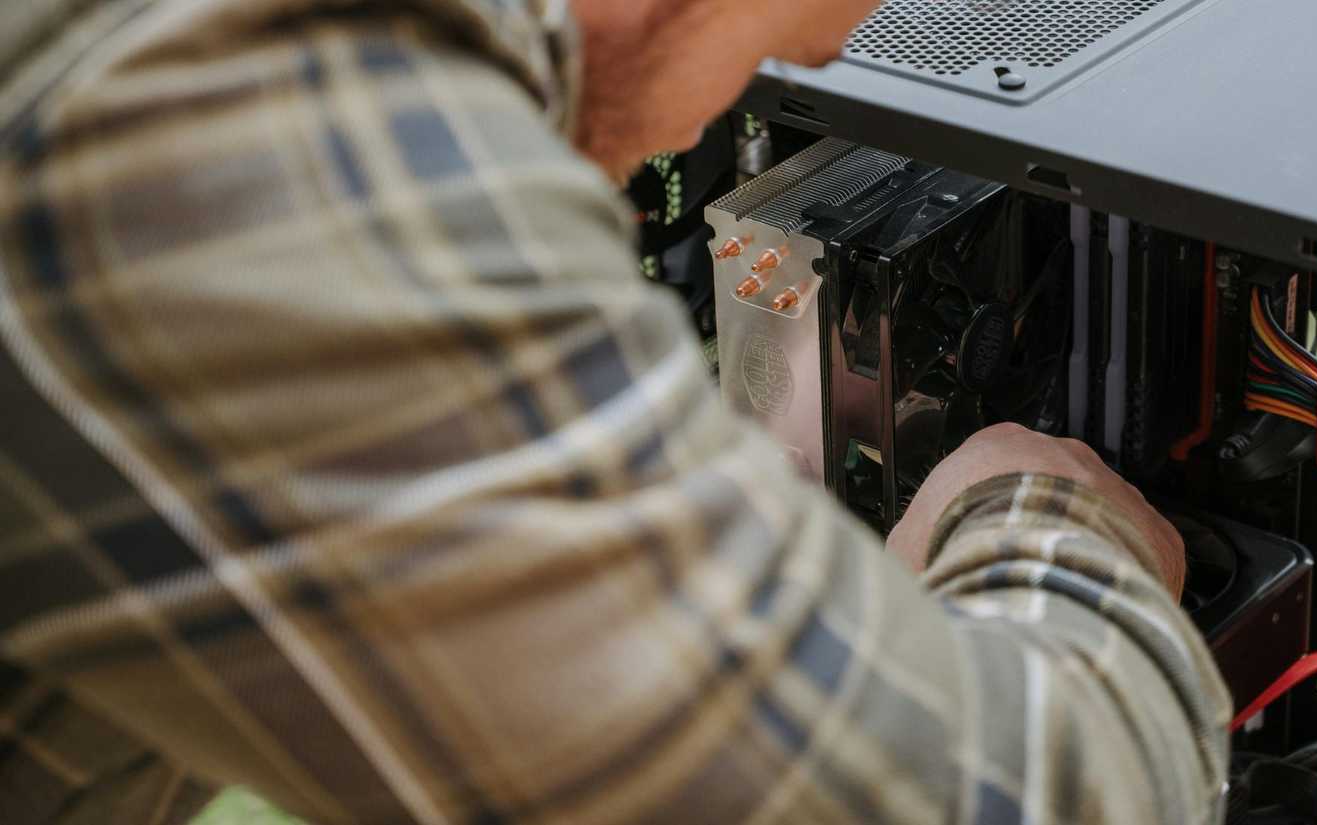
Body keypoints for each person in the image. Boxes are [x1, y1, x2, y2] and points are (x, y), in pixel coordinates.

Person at [0, 1, 1230, 823]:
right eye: (789, 45)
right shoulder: (218, 144)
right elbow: (1005, 796)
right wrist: (1045, 515)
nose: (712, 122)